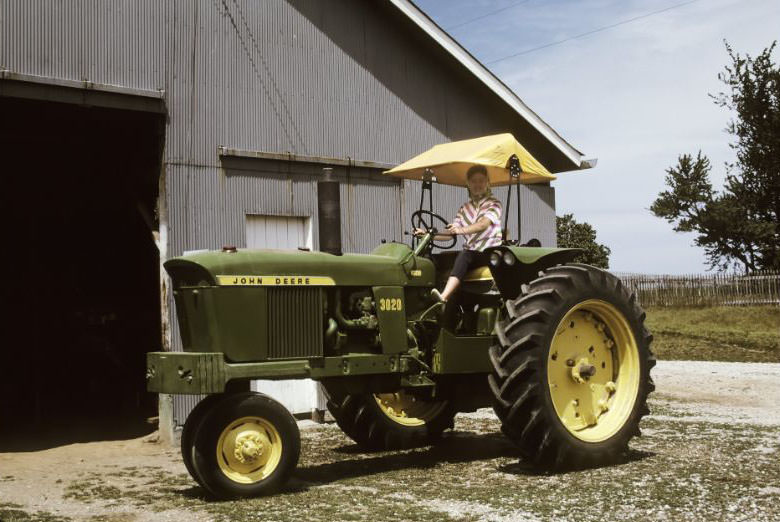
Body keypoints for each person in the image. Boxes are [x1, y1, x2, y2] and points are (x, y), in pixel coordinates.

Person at [415, 164, 502, 302]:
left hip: (489, 253)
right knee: (437, 260)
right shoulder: (464, 208)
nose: (477, 184)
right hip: (472, 254)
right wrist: (426, 234)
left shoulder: (494, 204)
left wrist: (460, 230)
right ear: (468, 184)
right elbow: (451, 233)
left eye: (481, 180)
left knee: (464, 255)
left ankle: (444, 296)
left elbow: (482, 225)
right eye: (474, 181)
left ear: (487, 183)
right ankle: (428, 300)